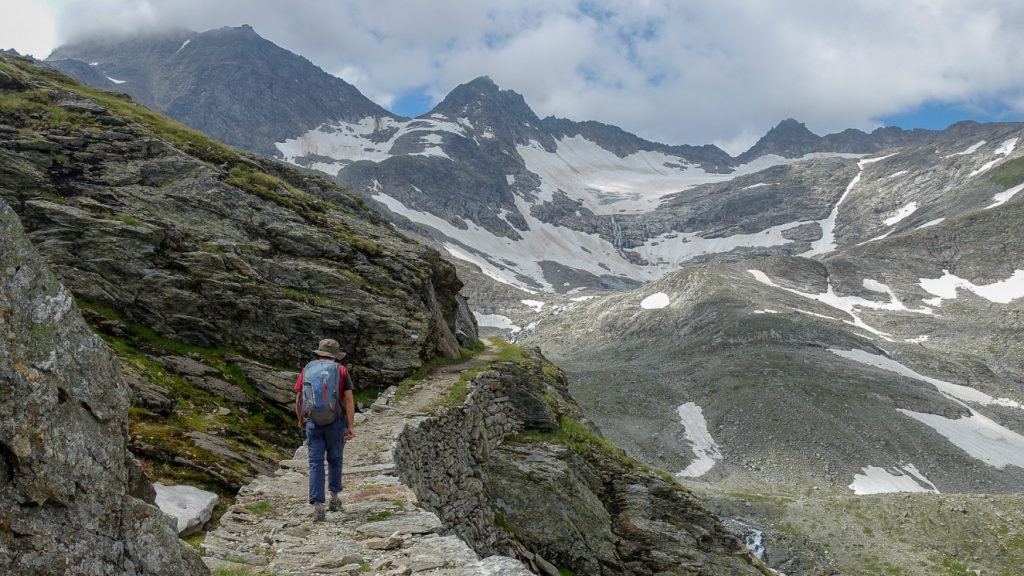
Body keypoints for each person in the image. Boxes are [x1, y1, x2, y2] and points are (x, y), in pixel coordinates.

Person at [294, 338, 355, 521]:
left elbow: (299, 398)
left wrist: (301, 420)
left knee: (315, 462)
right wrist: (350, 426)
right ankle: (334, 498)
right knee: (335, 459)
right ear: (336, 355)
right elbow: (348, 399)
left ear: (319, 353)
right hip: (336, 422)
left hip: (313, 422)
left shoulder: (307, 369)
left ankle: (318, 506)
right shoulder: (341, 370)